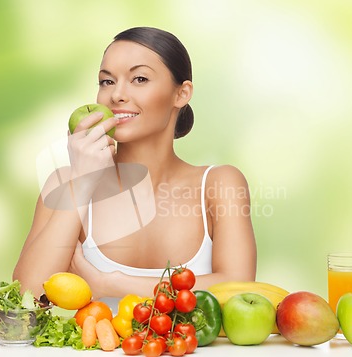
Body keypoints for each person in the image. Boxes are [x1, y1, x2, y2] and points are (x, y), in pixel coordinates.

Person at [13, 27, 257, 301]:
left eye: (139, 79)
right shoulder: (64, 183)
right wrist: (81, 181)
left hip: (190, 346)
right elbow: (27, 295)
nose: (117, 95)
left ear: (182, 93)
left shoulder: (219, 184)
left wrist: (112, 285)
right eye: (106, 82)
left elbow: (238, 289)